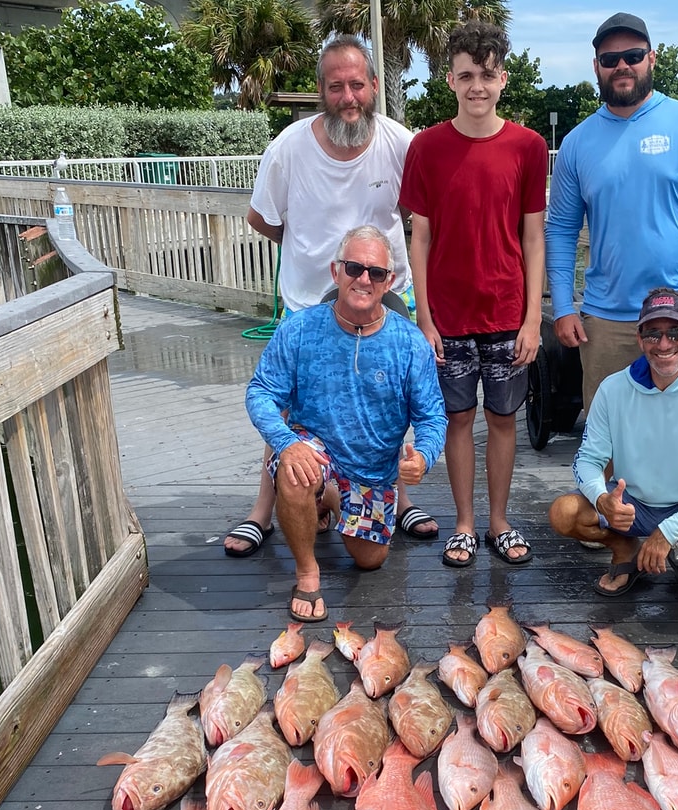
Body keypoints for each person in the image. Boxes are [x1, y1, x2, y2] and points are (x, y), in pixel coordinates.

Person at [225, 34, 438, 558]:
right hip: (308, 301)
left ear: (374, 87)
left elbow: (421, 222)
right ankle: (264, 507)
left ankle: (396, 495)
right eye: (337, 86)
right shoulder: (289, 147)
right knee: (291, 406)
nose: (349, 96)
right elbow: (263, 219)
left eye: (358, 85)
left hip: (387, 295)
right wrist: (316, 258)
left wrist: (374, 276)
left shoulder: (401, 144)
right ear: (321, 89)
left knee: (386, 399)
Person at [400, 20, 548, 569]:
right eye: (467, 75)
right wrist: (425, 317)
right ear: (450, 80)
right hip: (450, 317)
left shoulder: (529, 147)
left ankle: (499, 521)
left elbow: (533, 237)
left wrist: (534, 318)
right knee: (459, 419)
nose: (477, 86)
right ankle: (463, 523)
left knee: (505, 420)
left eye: (487, 75)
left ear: (503, 78)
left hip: (508, 314)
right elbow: (420, 235)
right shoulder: (426, 147)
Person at [245, 226, 447, 623]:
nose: (364, 279)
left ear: (390, 281)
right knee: (296, 471)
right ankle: (307, 572)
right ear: (336, 271)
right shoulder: (299, 329)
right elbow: (260, 393)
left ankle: (331, 499)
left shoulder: (410, 344)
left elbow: (432, 415)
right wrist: (286, 443)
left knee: (370, 560)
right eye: (354, 267)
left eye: (375, 272)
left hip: (373, 471)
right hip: (313, 448)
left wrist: (423, 455)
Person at [545, 11, 678, 403]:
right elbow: (561, 230)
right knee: (608, 443)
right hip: (606, 322)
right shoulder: (575, 143)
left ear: (651, 59)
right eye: (609, 59)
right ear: (597, 68)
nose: (622, 65)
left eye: (633, 55)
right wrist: (565, 306)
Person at [548, 287, 678, 603]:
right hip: (635, 503)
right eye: (652, 334)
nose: (664, 344)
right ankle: (624, 550)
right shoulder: (612, 389)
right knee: (564, 513)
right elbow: (588, 458)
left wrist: (668, 533)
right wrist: (602, 498)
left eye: (675, 332)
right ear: (639, 338)